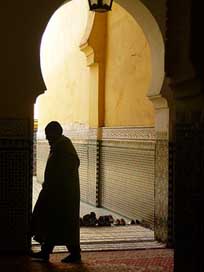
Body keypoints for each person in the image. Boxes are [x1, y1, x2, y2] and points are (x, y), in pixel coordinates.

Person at [30, 121, 81, 263]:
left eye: (48, 135)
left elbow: (67, 168)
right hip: (57, 192)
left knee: (63, 223)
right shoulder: (60, 145)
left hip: (63, 194)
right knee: (54, 222)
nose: (46, 138)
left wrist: (54, 186)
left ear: (55, 133)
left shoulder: (62, 145)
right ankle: (46, 251)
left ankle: (74, 254)